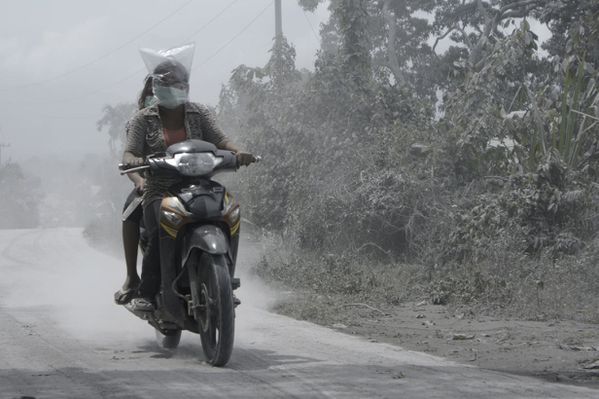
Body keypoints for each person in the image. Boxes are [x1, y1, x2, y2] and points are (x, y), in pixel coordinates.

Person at [122, 59, 254, 312]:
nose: (173, 87)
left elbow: (221, 140)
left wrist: (240, 152)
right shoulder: (143, 119)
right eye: (167, 83)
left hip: (200, 183)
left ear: (187, 85)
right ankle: (147, 293)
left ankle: (225, 281)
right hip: (159, 188)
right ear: (156, 87)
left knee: (229, 214)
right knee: (160, 227)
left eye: (179, 82)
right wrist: (135, 162)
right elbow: (129, 153)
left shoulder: (200, 112)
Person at [113, 76, 156, 305]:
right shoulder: (138, 122)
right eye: (153, 91)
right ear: (145, 96)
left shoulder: (186, 119)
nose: (159, 95)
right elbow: (129, 159)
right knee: (130, 211)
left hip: (185, 182)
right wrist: (139, 180)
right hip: (151, 184)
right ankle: (132, 276)